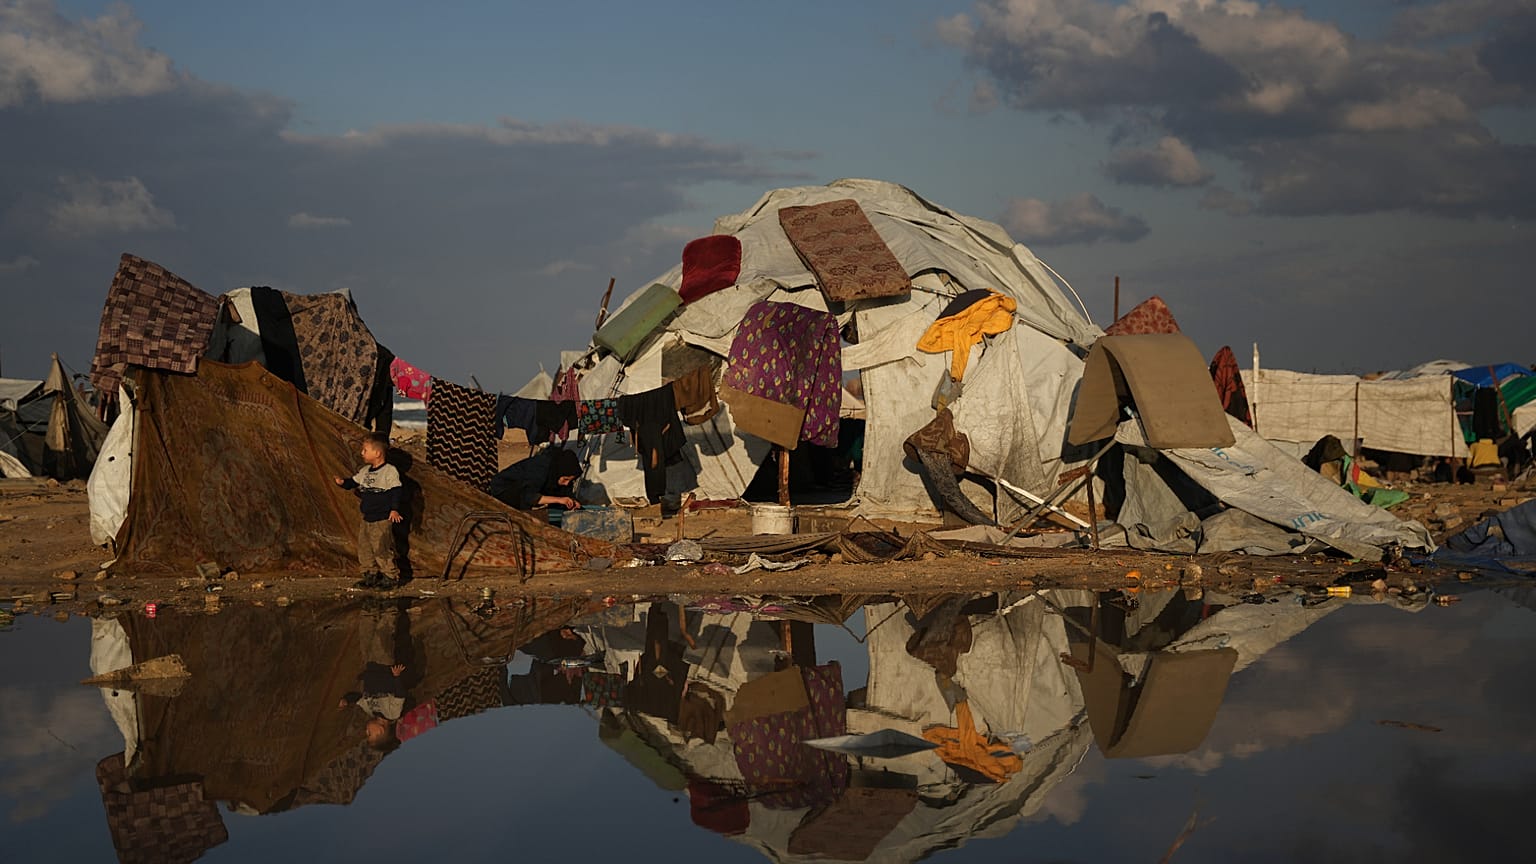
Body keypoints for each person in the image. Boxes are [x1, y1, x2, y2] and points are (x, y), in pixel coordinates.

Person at [333, 431, 405, 589]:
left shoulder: (389, 471)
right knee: (365, 547)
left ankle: (390, 576)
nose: (362, 453)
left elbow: (396, 491)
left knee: (381, 547)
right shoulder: (365, 472)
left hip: (382, 518)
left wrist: (394, 510)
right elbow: (352, 482)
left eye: (365, 450)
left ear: (377, 453)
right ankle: (370, 575)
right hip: (367, 517)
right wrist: (342, 482)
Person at [487, 446, 584, 512]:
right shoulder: (540, 469)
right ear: (560, 472)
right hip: (505, 489)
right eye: (565, 479)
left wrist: (573, 502)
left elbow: (565, 493)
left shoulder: (556, 472)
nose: (567, 483)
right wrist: (559, 500)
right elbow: (530, 497)